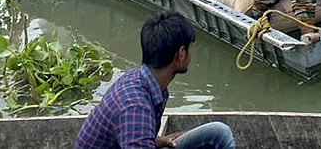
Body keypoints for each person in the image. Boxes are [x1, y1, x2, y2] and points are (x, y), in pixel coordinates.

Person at [74, 11, 237, 149]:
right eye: (191, 49)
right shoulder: (136, 107)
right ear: (181, 54)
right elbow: (134, 121)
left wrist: (155, 140)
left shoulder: (143, 79)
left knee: (219, 133)